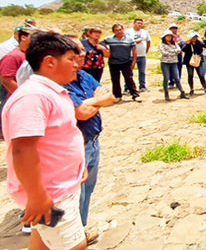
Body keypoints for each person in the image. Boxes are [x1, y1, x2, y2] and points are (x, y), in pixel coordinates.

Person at [2, 31, 87, 250]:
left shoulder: (51, 92)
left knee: (43, 244)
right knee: (74, 246)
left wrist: (77, 167)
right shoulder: (34, 97)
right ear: (49, 61)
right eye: (70, 59)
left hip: (59, 185)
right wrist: (37, 195)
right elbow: (22, 150)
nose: (76, 64)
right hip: (51, 192)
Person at [64, 36, 115, 246]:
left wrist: (92, 102)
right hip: (76, 146)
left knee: (88, 190)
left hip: (92, 141)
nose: (83, 53)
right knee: (75, 194)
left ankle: (80, 230)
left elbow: (110, 97)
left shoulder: (83, 75)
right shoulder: (59, 82)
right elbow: (82, 113)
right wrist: (97, 100)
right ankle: (72, 237)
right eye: (77, 50)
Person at [1, 27, 32, 139]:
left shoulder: (30, 55)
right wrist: (25, 96)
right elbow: (7, 80)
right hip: (21, 102)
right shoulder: (12, 56)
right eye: (32, 36)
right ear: (23, 37)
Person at [101, 24, 141, 103]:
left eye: (120, 29)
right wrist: (105, 50)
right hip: (113, 62)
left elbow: (134, 51)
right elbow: (101, 44)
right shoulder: (109, 39)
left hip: (126, 62)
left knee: (129, 79)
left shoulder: (129, 39)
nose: (119, 32)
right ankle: (117, 96)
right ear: (113, 31)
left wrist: (134, 61)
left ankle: (135, 95)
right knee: (115, 80)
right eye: (116, 30)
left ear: (123, 29)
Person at [159, 31, 189, 101]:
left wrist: (171, 51)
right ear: (164, 37)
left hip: (174, 62)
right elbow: (164, 53)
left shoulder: (174, 43)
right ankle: (166, 93)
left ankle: (182, 92)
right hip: (165, 62)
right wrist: (174, 51)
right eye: (167, 36)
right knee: (166, 78)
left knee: (177, 78)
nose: (169, 37)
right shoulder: (161, 43)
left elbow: (179, 50)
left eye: (170, 36)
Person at [124, 18, 151, 92]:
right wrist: (135, 41)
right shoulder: (128, 32)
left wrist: (146, 51)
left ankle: (142, 86)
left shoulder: (144, 32)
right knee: (129, 72)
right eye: (138, 23)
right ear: (134, 23)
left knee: (142, 72)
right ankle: (127, 87)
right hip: (131, 55)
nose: (139, 25)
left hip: (142, 55)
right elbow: (124, 41)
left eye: (141, 23)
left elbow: (148, 42)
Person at [182, 30, 206, 96]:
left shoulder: (199, 42)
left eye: (195, 37)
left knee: (201, 75)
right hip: (189, 62)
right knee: (190, 75)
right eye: (193, 37)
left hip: (198, 61)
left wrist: (204, 40)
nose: (194, 38)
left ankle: (205, 88)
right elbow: (183, 49)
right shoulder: (187, 44)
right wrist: (187, 44)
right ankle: (192, 89)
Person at [168, 24, 185, 89]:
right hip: (171, 55)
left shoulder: (180, 37)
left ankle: (177, 81)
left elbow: (183, 44)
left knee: (179, 68)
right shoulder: (168, 37)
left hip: (179, 54)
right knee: (170, 68)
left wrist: (179, 44)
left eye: (175, 28)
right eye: (172, 28)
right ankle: (171, 82)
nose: (174, 30)